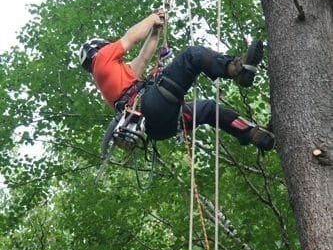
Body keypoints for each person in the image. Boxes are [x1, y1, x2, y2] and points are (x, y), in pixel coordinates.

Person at [79, 8, 274, 151]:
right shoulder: (102, 58)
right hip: (151, 105)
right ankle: (235, 69)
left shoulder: (111, 80)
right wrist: (151, 18)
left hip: (159, 128)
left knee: (207, 109)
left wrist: (155, 30)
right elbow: (131, 38)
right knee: (192, 56)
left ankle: (252, 134)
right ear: (98, 49)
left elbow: (144, 58)